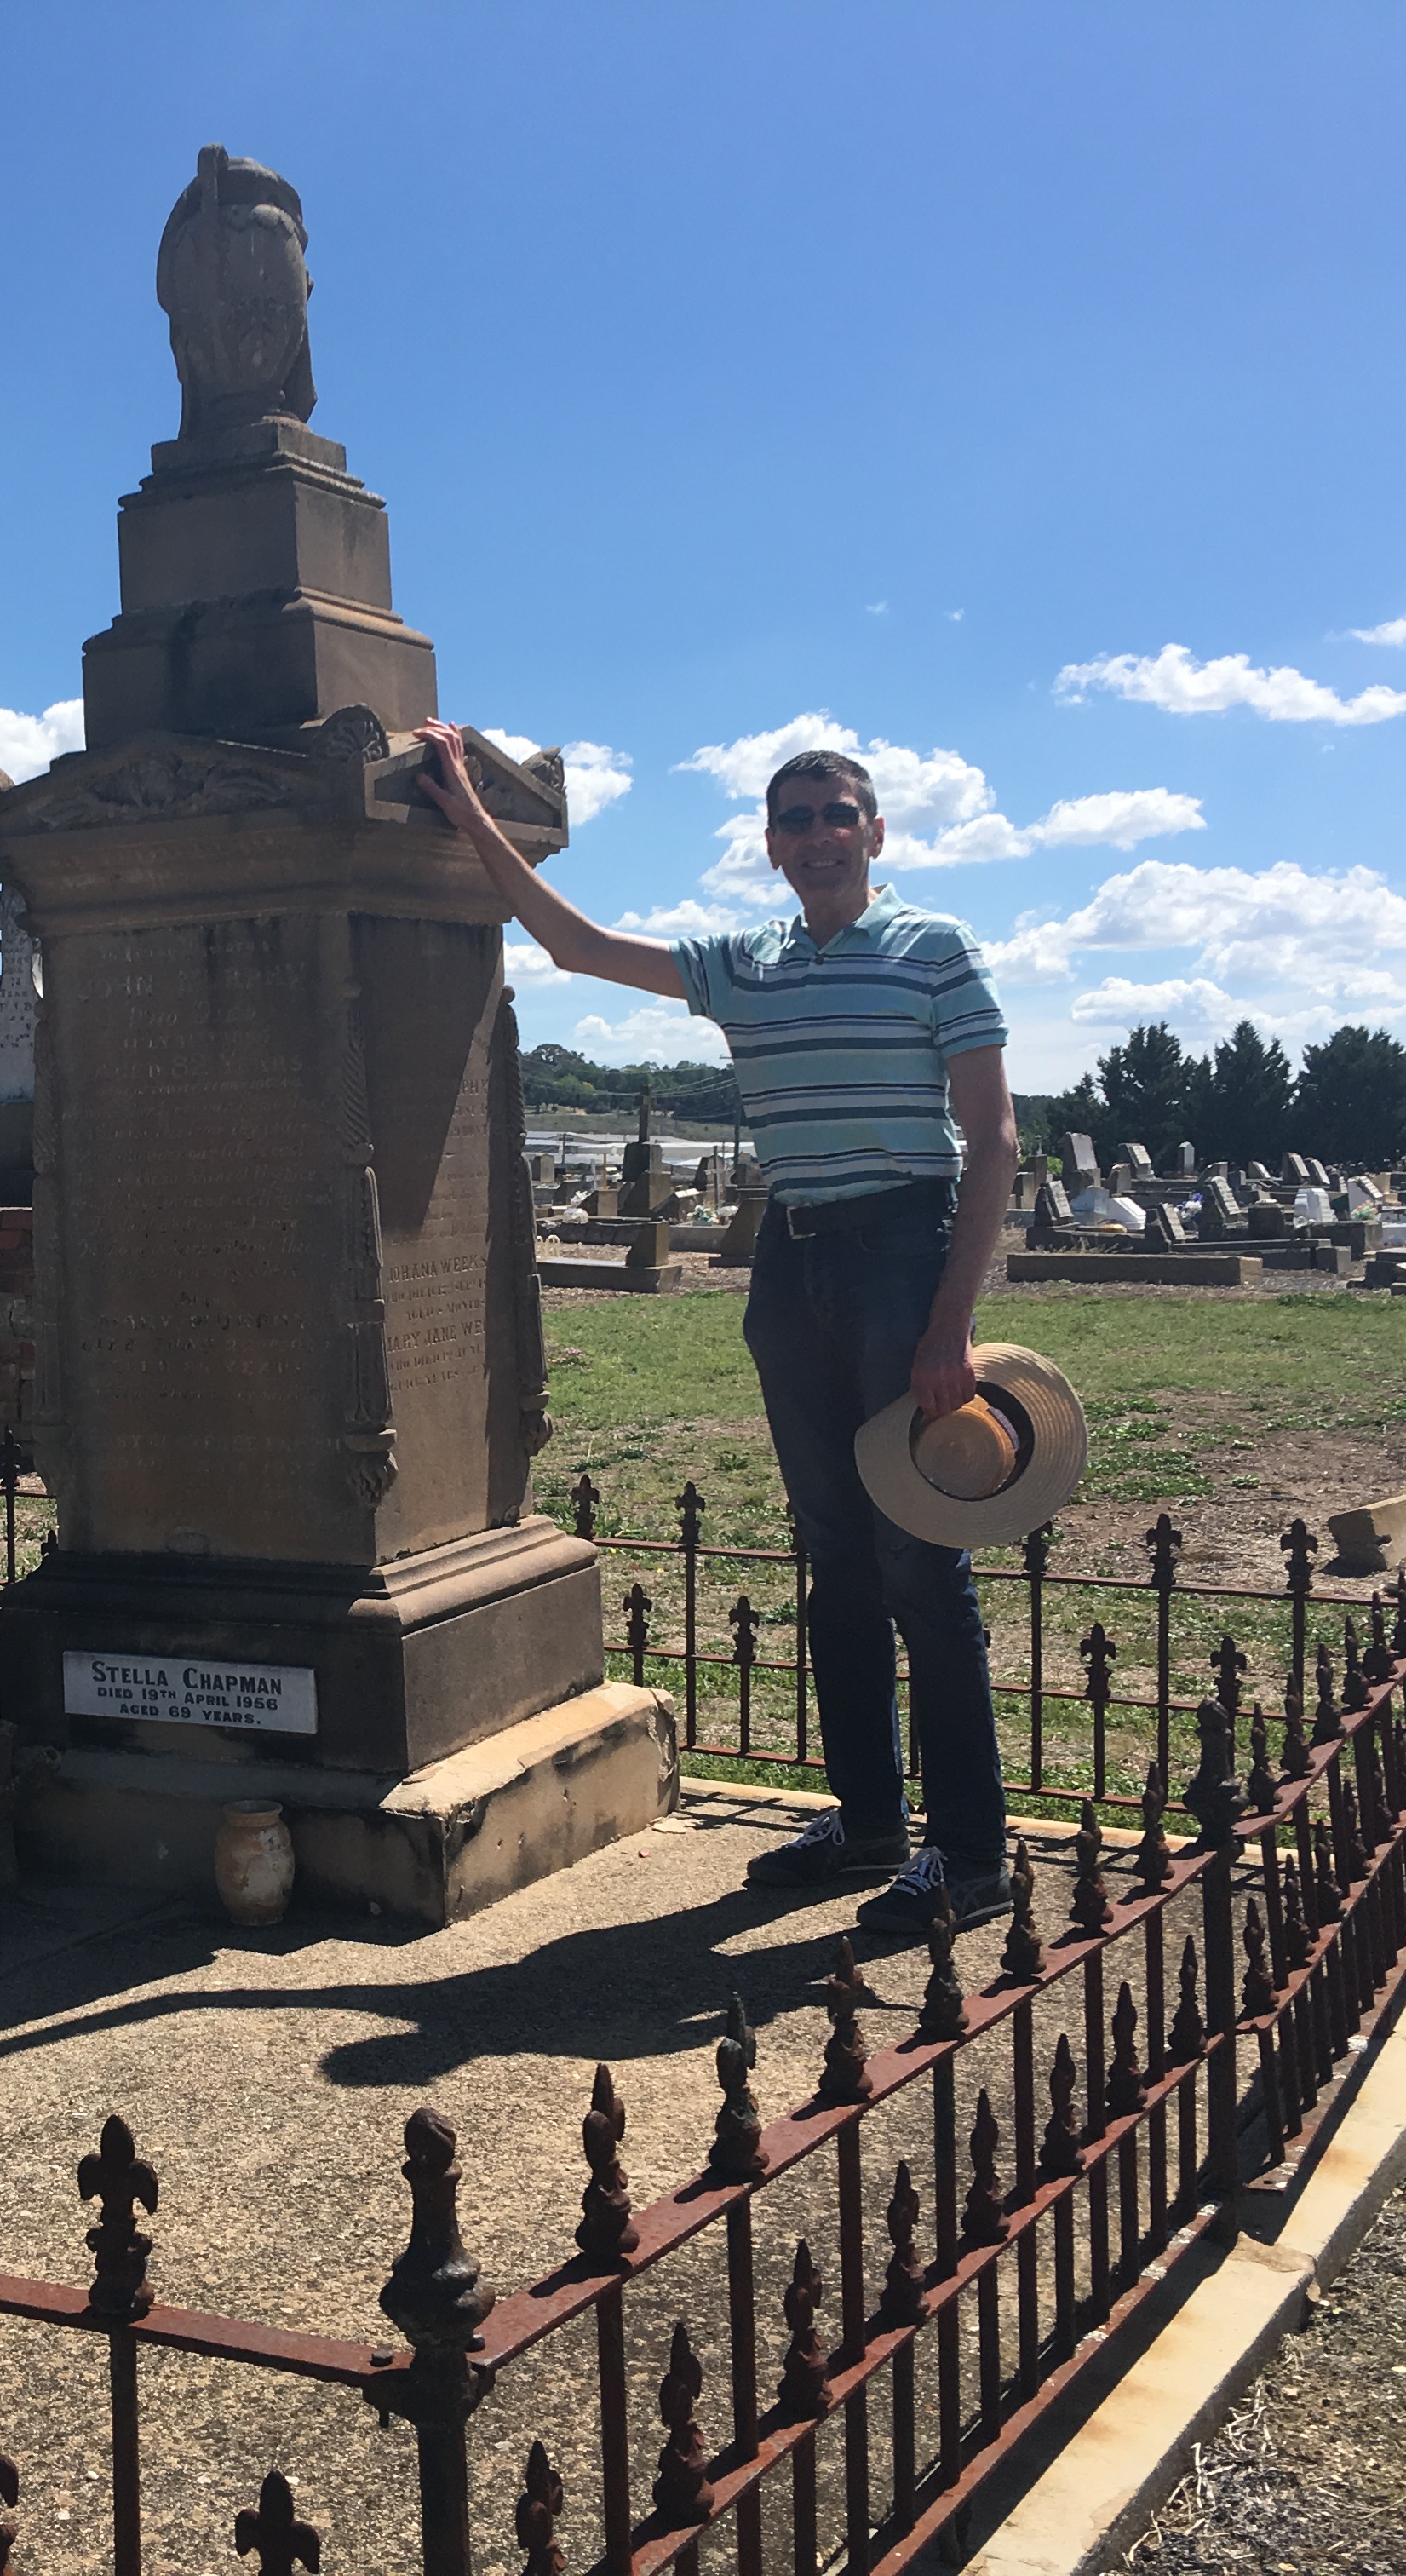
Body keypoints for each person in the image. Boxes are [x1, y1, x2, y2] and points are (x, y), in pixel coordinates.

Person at [416, 724, 1021, 1932]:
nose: (812, 836)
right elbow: (578, 948)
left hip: (903, 1247)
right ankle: (867, 1821)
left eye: (833, 813)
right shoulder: (746, 962)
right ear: (769, 844)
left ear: (876, 831)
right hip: (790, 1263)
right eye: (791, 820)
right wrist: (476, 815)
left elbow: (993, 1138)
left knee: (917, 1557)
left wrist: (952, 1322)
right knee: (834, 1553)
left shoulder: (933, 949)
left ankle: (971, 1851)